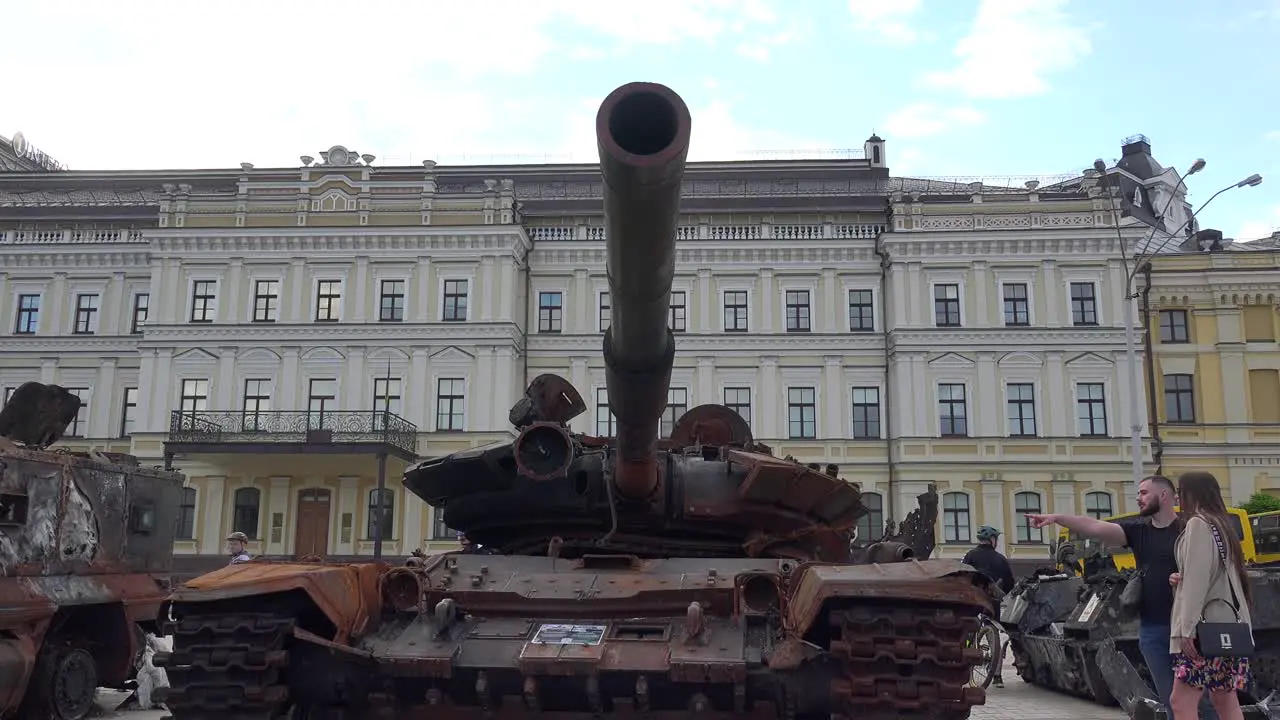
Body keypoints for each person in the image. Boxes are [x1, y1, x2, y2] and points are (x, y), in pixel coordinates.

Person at [1026, 475, 1216, 720]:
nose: (1138, 498)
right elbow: (1094, 526)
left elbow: (1210, 569)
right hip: (1153, 630)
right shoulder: (1137, 531)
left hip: (1188, 629)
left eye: (1144, 492)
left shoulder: (1190, 528)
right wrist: (1057, 519)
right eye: (1138, 493)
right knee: (1172, 701)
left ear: (1164, 495)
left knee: (1205, 701)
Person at [1168, 472, 1252, 720]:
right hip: (1227, 627)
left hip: (1202, 631)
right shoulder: (1221, 524)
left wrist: (1187, 629)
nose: (1177, 497)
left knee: (1180, 701)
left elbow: (1197, 578)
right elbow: (1214, 575)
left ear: (1191, 494)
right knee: (1224, 698)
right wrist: (1180, 579)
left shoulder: (1198, 524)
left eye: (1180, 491)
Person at [962, 525, 1015, 688]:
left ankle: (964, 666)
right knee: (994, 633)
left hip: (973, 601)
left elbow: (962, 575)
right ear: (993, 540)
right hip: (992, 604)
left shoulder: (970, 556)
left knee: (967, 632)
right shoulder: (1000, 559)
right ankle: (997, 676)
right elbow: (1010, 583)